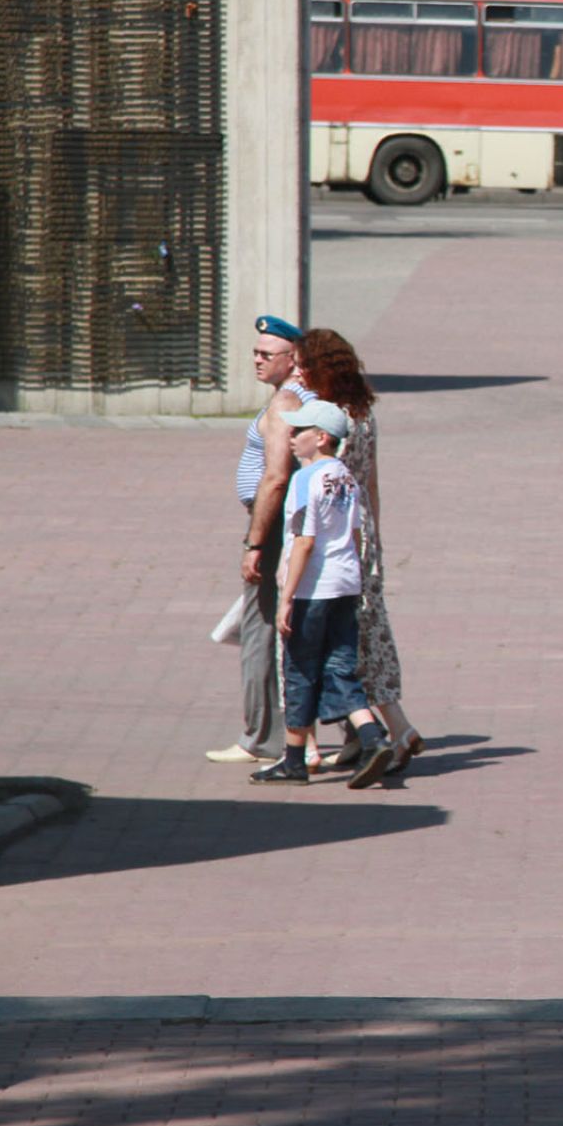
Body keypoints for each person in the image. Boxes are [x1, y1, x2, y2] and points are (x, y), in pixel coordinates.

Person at [292, 330, 427, 777]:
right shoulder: (363, 412)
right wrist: (377, 535)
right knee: (369, 630)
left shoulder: (327, 420)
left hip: (332, 532)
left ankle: (314, 744)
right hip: (363, 526)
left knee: (334, 637)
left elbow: (320, 481)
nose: (299, 372)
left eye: (302, 364)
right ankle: (371, 734)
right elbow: (371, 481)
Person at [251, 399, 397, 789]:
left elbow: (304, 541)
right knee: (339, 665)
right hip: (346, 583)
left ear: (322, 437)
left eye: (299, 431)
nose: (292, 437)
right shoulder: (345, 476)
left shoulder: (306, 479)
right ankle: (372, 736)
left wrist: (287, 597)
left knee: (300, 668)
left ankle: (295, 760)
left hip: (314, 588)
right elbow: (353, 532)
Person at [207, 315, 319, 766]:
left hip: (271, 522)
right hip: (279, 521)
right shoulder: (299, 398)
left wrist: (255, 544)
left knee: (260, 626)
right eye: (254, 352)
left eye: (266, 354)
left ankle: (261, 738)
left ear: (293, 360)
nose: (256, 360)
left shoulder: (288, 402)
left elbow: (275, 477)